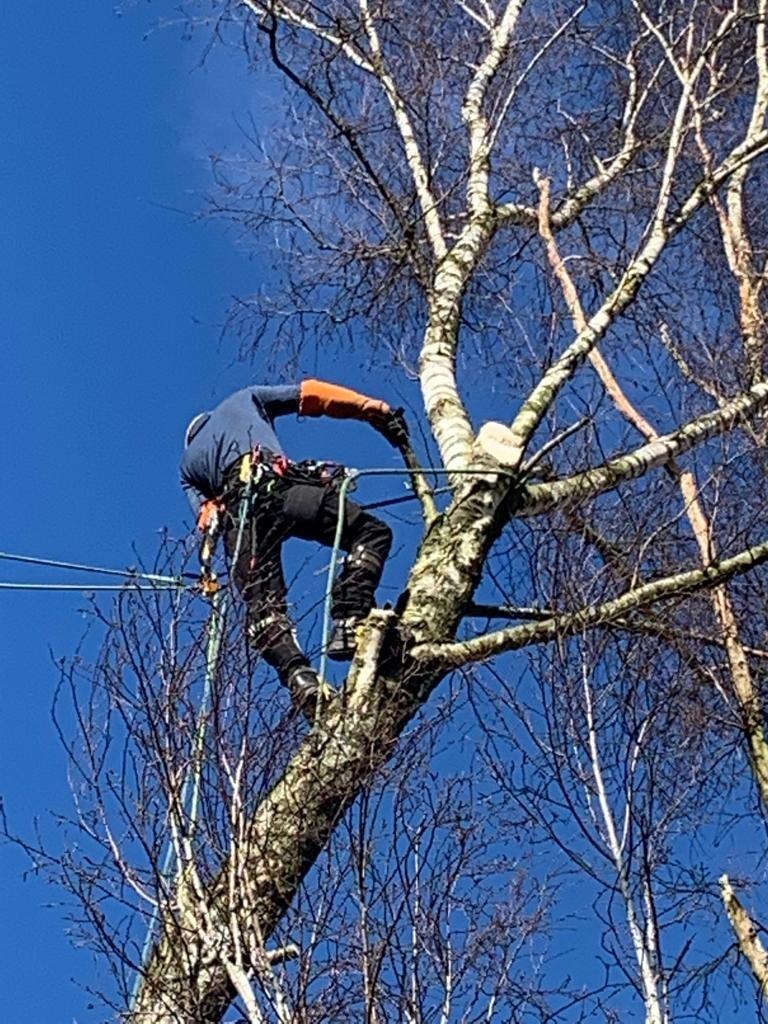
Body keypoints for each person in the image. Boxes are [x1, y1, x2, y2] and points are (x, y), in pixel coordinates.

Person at [180, 379, 407, 711]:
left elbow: (207, 520)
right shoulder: (244, 397)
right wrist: (374, 410)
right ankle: (350, 618)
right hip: (282, 491)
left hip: (241, 528)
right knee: (371, 534)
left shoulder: (187, 466)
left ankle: (301, 681)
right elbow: (312, 394)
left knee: (264, 613)